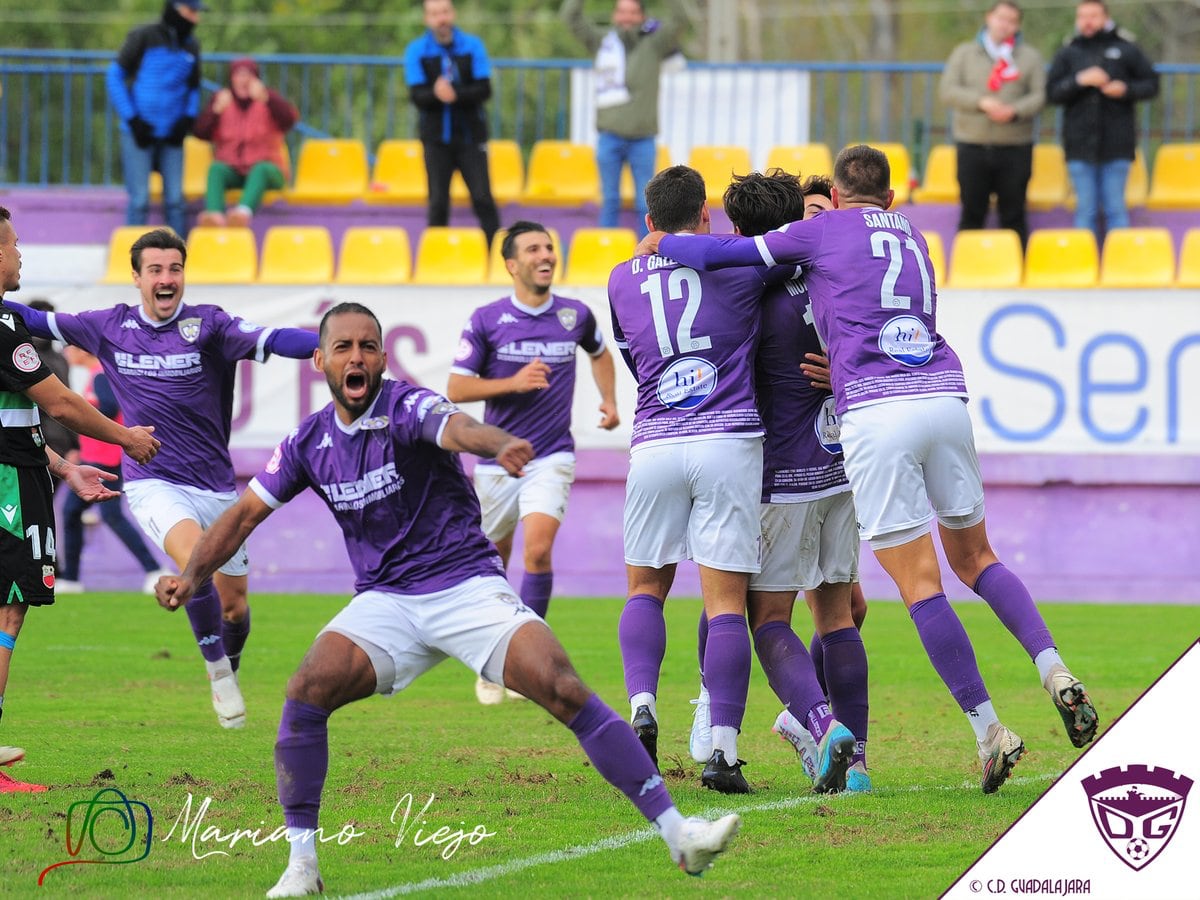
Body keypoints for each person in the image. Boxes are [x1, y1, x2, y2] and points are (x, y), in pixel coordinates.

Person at [155, 301, 741, 896]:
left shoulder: (407, 405)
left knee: (562, 685)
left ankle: (680, 836)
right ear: (320, 361)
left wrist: (495, 442)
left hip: (465, 586)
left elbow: (455, 427)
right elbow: (243, 516)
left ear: (383, 358)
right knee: (306, 691)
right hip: (386, 603)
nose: (355, 356)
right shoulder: (309, 442)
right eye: (342, 347)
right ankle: (302, 866)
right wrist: (191, 575)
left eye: (366, 347)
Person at [642, 145, 1100, 794]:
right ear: (889, 197)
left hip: (822, 450)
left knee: (770, 609)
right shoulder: (909, 236)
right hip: (917, 409)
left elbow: (721, 264)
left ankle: (771, 730)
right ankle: (1033, 676)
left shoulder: (777, 266)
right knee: (889, 591)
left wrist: (658, 242)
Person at [7, 228, 319, 732]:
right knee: (193, 560)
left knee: (234, 606)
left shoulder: (210, 326)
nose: (166, 278)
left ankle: (229, 661)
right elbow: (33, 318)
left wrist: (324, 345)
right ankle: (217, 672)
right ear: (136, 278)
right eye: (155, 269)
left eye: (174, 268)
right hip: (153, 481)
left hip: (217, 486)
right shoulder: (108, 326)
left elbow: (272, 339)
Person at [607, 165, 854, 795]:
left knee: (645, 589)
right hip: (729, 439)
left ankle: (642, 706)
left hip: (655, 439)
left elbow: (635, 354)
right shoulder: (740, 265)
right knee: (727, 607)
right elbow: (790, 256)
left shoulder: (618, 277)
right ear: (706, 219)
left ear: (649, 222)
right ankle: (722, 747)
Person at [686, 173, 870, 794]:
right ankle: (859, 770)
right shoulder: (829, 276)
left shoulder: (740, 291)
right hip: (837, 464)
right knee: (839, 617)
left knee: (761, 617)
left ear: (736, 231)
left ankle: (820, 726)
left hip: (775, 473)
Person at [0, 206, 160, 793]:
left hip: (22, 470)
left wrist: (66, 467)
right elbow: (62, 404)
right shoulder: (2, 328)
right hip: (7, 487)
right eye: (14, 246)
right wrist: (127, 439)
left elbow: (13, 420)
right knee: (7, 608)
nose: (20, 256)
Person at [446, 220, 620, 705]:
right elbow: (457, 389)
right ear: (511, 264)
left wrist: (608, 400)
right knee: (491, 563)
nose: (546, 255)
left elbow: (600, 353)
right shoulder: (487, 319)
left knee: (538, 552)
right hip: (496, 459)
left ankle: (532, 659)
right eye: (534, 249)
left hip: (552, 455)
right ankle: (490, 658)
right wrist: (512, 383)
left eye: (550, 247)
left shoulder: (574, 315)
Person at [562, 0, 685, 239]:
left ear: (642, 16)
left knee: (646, 203)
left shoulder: (655, 43)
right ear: (614, 15)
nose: (627, 17)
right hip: (609, 136)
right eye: (622, 11)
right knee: (609, 201)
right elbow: (571, 18)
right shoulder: (602, 42)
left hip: (643, 139)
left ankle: (646, 255)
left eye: (632, 12)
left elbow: (680, 21)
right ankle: (606, 256)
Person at [54, 346, 171, 596]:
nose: (66, 354)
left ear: (80, 350)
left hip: (105, 458)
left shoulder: (101, 375)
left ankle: (155, 570)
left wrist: (81, 414)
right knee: (73, 513)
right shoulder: (96, 374)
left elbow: (108, 407)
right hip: (95, 457)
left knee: (108, 515)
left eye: (68, 348)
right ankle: (71, 579)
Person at [1047, 0, 1159, 241]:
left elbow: (1152, 84)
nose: (1087, 21)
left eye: (1093, 15)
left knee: (1116, 208)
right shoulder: (1069, 51)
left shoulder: (1127, 48)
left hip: (1117, 143)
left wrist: (1125, 89)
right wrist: (1078, 80)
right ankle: (1083, 265)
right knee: (1084, 209)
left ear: (1105, 17)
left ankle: (1120, 266)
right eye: (1082, 16)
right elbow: (1052, 93)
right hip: (1078, 144)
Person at [939, 1, 1045, 248]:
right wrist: (980, 102)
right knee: (972, 212)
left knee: (1014, 213)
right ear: (989, 18)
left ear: (1017, 25)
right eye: (1000, 18)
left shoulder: (1029, 57)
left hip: (1015, 146)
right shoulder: (964, 53)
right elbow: (948, 90)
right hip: (972, 145)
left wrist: (1015, 110)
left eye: (1011, 20)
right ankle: (968, 266)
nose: (1004, 24)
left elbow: (1040, 95)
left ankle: (1017, 267)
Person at [404, 0, 501, 248]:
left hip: (471, 137)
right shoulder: (417, 50)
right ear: (427, 19)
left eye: (445, 12)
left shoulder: (472, 45)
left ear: (453, 14)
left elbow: (484, 89)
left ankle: (499, 257)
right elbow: (417, 95)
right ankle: (437, 257)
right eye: (435, 14)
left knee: (482, 198)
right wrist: (436, 94)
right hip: (436, 139)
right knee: (438, 201)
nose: (441, 19)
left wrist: (455, 94)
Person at [106, 0, 206, 238]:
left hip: (172, 135)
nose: (196, 19)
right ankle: (133, 259)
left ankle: (178, 260)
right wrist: (132, 119)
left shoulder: (191, 46)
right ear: (176, 10)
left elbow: (193, 87)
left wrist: (187, 119)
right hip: (139, 134)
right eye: (192, 12)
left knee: (175, 201)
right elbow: (114, 76)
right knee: (139, 199)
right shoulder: (143, 36)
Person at [193, 56, 298, 228]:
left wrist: (268, 98)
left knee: (261, 169)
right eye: (238, 75)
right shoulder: (222, 101)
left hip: (269, 172)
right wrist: (215, 111)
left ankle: (242, 213)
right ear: (232, 79)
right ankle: (215, 216)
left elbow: (289, 120)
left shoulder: (268, 100)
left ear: (256, 79)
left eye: (247, 75)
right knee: (216, 168)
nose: (243, 80)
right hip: (235, 171)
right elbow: (200, 132)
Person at [23, 299, 79, 491]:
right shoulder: (20, 357)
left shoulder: (60, 359)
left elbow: (68, 400)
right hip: (32, 442)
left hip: (58, 442)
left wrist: (74, 445)